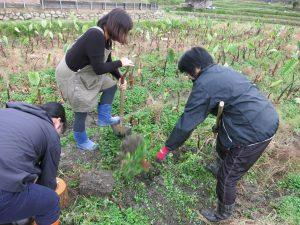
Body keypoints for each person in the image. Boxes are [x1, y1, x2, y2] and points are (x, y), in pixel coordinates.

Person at [156, 47, 279, 222]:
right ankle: (219, 166)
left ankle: (223, 213)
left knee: (227, 177)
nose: (188, 77)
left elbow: (187, 122)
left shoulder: (204, 84)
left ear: (196, 68)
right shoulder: (221, 71)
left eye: (187, 73)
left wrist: (167, 147)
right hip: (259, 115)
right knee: (222, 142)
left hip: (255, 131)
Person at [55, 8, 134, 151]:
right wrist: (121, 62)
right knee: (82, 107)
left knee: (110, 85)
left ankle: (104, 118)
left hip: (87, 72)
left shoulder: (106, 38)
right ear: (117, 27)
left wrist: (120, 77)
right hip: (72, 75)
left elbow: (107, 61)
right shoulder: (95, 35)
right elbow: (99, 69)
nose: (124, 35)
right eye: (124, 31)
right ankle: (81, 140)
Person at [0, 102, 66, 225]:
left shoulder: (8, 113)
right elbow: (47, 183)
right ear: (57, 122)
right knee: (50, 202)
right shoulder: (50, 132)